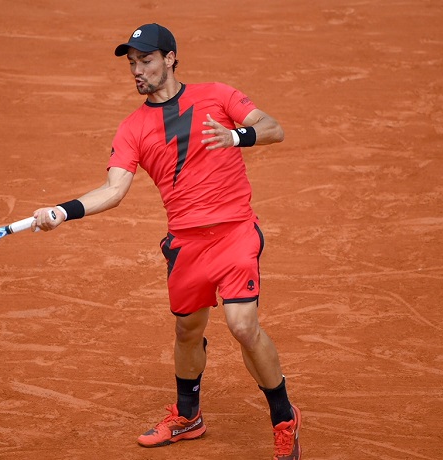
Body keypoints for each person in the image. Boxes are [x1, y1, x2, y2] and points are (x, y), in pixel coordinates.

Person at [31, 23, 301, 460]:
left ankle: (284, 418)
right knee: (187, 331)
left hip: (234, 233)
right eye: (133, 64)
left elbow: (273, 128)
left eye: (147, 60)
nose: (138, 70)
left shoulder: (217, 95)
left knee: (242, 326)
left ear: (171, 58)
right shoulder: (133, 128)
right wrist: (63, 211)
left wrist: (235, 136)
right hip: (186, 244)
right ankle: (189, 417)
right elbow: (113, 190)